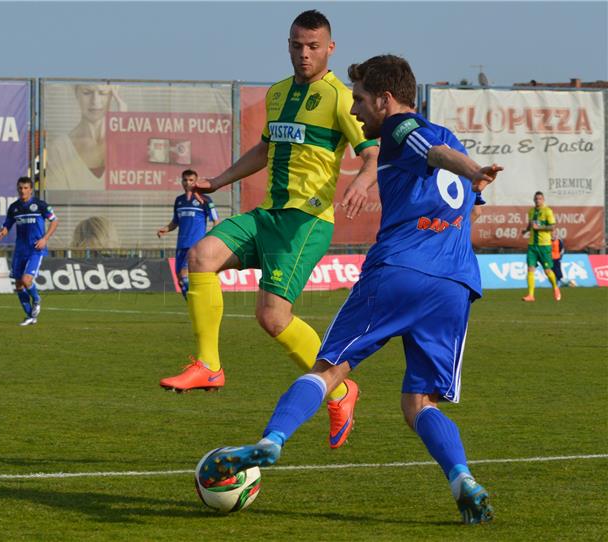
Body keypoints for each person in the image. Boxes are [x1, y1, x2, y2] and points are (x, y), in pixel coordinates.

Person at [198, 54, 502, 525]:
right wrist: (462, 195)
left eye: (360, 100)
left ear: (385, 98)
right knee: (418, 403)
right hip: (456, 284)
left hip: (399, 270)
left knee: (329, 370)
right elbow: (468, 202)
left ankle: (270, 441)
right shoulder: (448, 132)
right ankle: (462, 478)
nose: (356, 111)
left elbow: (432, 152)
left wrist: (472, 167)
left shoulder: (404, 127)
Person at [159, 10, 379, 451]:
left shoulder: (339, 97)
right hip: (268, 214)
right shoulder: (278, 94)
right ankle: (209, 364)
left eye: (313, 46)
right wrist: (218, 182)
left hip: (305, 221)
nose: (304, 53)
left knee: (272, 316)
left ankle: (339, 388)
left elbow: (372, 152)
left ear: (330, 48)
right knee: (200, 256)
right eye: (297, 45)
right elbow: (264, 149)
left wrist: (359, 181)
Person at [0, 176, 58, 326]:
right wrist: (3, 232)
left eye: (25, 188)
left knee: (26, 280)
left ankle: (36, 299)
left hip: (35, 249)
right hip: (20, 250)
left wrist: (45, 239)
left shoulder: (40, 205)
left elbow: (55, 221)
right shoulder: (14, 207)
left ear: (31, 189)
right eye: (20, 188)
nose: (22, 191)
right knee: (18, 285)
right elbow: (7, 225)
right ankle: (30, 316)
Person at [45, 84, 125, 191]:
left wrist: (123, 129)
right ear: (76, 93)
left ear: (114, 94)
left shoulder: (125, 142)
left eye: (102, 93)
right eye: (87, 93)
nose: (95, 102)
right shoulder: (59, 148)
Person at [157, 169, 219, 299]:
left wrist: (212, 239)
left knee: (185, 275)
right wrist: (166, 229)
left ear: (196, 182)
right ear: (181, 181)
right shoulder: (179, 200)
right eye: (185, 180)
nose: (187, 183)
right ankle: (195, 304)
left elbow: (216, 221)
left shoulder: (205, 200)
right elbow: (175, 221)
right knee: (180, 279)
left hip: (195, 245)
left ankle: (201, 302)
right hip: (181, 245)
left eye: (191, 180)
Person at [521, 191, 560, 302]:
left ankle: (555, 287)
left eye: (540, 199)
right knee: (530, 269)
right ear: (534, 200)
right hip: (532, 245)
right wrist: (526, 230)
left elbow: (552, 227)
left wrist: (539, 228)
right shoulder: (531, 211)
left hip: (544, 245)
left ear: (543, 200)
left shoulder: (547, 211)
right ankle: (531, 295)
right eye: (536, 199)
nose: (538, 200)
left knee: (547, 270)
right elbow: (530, 224)